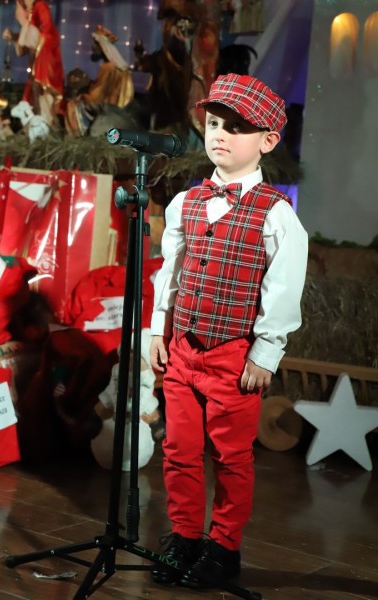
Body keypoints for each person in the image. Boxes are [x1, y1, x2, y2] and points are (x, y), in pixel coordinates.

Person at [149, 73, 308, 589]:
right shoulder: (186, 202)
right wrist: (158, 328)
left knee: (231, 456)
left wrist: (266, 351)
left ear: (267, 141)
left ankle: (223, 548)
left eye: (236, 128)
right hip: (182, 347)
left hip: (232, 354)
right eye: (214, 124)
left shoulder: (276, 215)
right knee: (179, 449)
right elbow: (171, 272)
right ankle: (184, 537)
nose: (219, 134)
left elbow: (282, 288)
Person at [2, 0, 64, 127]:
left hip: (46, 61)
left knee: (42, 93)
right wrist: (15, 37)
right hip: (37, 62)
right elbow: (28, 44)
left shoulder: (40, 6)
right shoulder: (32, 11)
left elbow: (45, 33)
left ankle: (45, 125)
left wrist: (24, 23)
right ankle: (37, 125)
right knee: (34, 94)